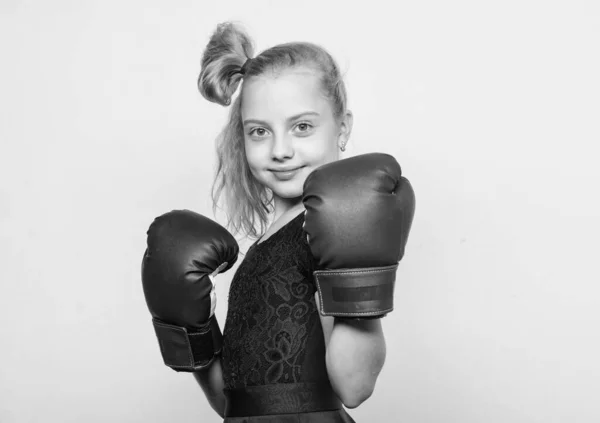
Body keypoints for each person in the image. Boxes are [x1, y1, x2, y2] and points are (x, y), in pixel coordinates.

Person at [141, 22, 415, 422]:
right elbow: (233, 402)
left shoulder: (328, 225)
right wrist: (192, 330)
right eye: (259, 132)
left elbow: (354, 388)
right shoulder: (265, 244)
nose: (281, 150)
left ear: (343, 128)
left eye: (302, 126)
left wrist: (358, 280)